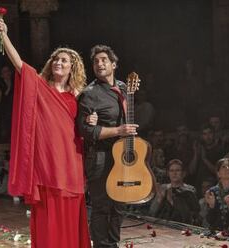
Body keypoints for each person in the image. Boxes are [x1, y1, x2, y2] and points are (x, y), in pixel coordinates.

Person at [0, 19, 91, 248]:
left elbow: (87, 125)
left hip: (70, 160)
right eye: (56, 59)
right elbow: (19, 64)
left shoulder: (79, 94)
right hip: (46, 162)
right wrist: (4, 35)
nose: (58, 62)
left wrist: (93, 119)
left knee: (70, 210)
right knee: (48, 212)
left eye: (64, 60)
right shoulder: (39, 85)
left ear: (72, 67)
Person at [77, 44, 139, 248]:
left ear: (113, 64)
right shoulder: (90, 94)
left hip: (122, 157)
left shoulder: (123, 87)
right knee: (102, 207)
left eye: (103, 60)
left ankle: (113, 244)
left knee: (118, 207)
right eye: (95, 61)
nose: (99, 63)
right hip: (101, 158)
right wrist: (118, 131)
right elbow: (86, 131)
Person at [149, 159, 200, 225]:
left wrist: (172, 201)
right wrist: (159, 199)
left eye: (177, 170)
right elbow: (151, 213)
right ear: (168, 173)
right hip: (162, 226)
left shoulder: (190, 190)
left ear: (183, 173)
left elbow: (188, 217)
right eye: (171, 171)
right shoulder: (163, 188)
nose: (174, 173)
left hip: (181, 227)